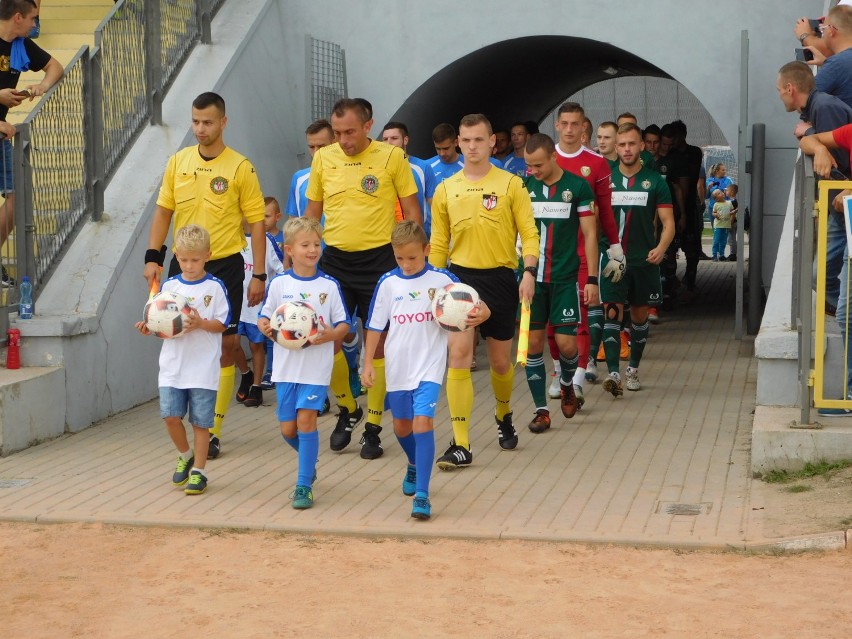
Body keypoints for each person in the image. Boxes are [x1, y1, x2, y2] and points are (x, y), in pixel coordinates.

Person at [144, 91, 267, 461]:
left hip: (225, 264)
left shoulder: (240, 167)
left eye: (208, 122)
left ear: (223, 122)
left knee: (227, 346)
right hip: (182, 265)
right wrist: (154, 257)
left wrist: (258, 273)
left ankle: (212, 429)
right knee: (177, 334)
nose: (200, 128)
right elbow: (164, 211)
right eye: (196, 121)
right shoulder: (178, 162)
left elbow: (257, 224)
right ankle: (189, 419)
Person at [304, 97, 421, 460]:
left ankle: (372, 425)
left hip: (380, 261)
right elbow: (312, 212)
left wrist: (416, 260)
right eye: (337, 133)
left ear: (368, 126)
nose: (343, 139)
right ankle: (346, 409)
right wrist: (303, 257)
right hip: (336, 260)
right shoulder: (324, 158)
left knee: (379, 344)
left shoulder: (391, 158)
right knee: (326, 339)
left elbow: (412, 211)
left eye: (350, 132)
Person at [429, 113, 538, 469]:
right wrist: (434, 285)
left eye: (479, 139)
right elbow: (439, 242)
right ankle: (461, 444)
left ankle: (503, 414)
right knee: (458, 358)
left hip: (501, 280)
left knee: (500, 363)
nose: (472, 146)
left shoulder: (511, 185)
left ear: (492, 142)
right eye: (466, 140)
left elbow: (529, 233)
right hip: (459, 281)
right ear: (458, 142)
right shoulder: (446, 188)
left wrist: (529, 272)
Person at [361, 221, 457, 519]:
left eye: (413, 258)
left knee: (422, 424)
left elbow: (472, 306)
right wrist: (367, 364)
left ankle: (423, 495)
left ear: (427, 250)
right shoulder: (388, 283)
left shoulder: (443, 280)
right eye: (400, 258)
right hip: (398, 368)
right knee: (401, 428)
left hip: (429, 365)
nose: (406, 264)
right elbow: (375, 326)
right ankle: (415, 464)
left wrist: (482, 313)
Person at [258, 217, 351, 508]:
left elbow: (344, 324)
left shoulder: (329, 285)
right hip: (286, 368)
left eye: (316, 244)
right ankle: (308, 463)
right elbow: (265, 315)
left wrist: (330, 335)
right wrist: (264, 325)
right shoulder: (279, 284)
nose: (313, 249)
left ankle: (302, 485)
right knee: (288, 430)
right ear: (289, 250)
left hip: (315, 367)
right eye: (305, 245)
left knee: (306, 420)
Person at [135, 225, 230, 496]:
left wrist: (201, 323)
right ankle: (185, 454)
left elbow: (223, 324)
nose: (189, 265)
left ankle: (199, 471)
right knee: (170, 417)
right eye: (184, 259)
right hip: (172, 367)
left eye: (196, 260)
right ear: (176, 255)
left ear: (207, 256)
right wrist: (149, 328)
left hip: (202, 368)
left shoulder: (215, 287)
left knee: (201, 423)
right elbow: (159, 324)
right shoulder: (169, 287)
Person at [521, 133, 599, 433]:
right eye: (529, 165)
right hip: (531, 280)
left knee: (567, 345)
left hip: (565, 279)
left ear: (553, 157)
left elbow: (590, 234)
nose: (534, 171)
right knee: (534, 345)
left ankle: (567, 383)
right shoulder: (523, 187)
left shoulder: (577, 187)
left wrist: (591, 278)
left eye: (538, 165)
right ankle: (541, 410)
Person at [553, 102, 624, 399]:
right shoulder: (545, 158)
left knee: (580, 316)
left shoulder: (596, 164)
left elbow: (606, 211)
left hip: (585, 253)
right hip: (551, 255)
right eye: (564, 124)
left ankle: (578, 377)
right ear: (557, 125)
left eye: (575, 124)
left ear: (584, 128)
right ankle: (560, 373)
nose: (570, 130)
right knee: (552, 322)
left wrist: (616, 247)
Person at [598, 123, 675, 395]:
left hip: (644, 262)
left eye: (632, 144)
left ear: (642, 146)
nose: (627, 149)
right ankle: (614, 375)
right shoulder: (605, 180)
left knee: (640, 318)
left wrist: (662, 247)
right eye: (622, 145)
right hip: (612, 261)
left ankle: (633, 369)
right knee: (611, 314)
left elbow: (668, 223)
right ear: (615, 148)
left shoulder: (655, 181)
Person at [0, 0, 64, 286]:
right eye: (33, 19)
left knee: (17, 199)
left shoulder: (20, 44)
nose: (35, 25)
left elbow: (55, 66)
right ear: (17, 17)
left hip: (2, 134)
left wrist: (42, 85)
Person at [801, 124, 852, 415]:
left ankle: (850, 394)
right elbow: (809, 140)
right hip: (842, 215)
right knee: (815, 275)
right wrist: (820, 148)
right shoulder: (849, 132)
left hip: (848, 211)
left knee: (847, 313)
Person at [233, 219, 284, 407]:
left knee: (256, 346)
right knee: (232, 343)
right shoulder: (230, 235)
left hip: (257, 305)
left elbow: (281, 269)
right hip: (235, 302)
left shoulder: (266, 239)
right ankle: (246, 374)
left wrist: (271, 294)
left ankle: (256, 387)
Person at [381, 120, 438, 236]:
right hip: (387, 238)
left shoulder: (423, 167)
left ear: (405, 140)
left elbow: (435, 206)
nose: (389, 143)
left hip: (420, 235)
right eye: (385, 139)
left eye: (394, 138)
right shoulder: (377, 169)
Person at [804, 5, 852, 109]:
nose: (823, 34)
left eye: (823, 29)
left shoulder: (836, 64)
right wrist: (826, 63)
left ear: (831, 31)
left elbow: (805, 99)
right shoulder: (837, 64)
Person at [710, 189, 732, 261]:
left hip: (726, 225)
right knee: (716, 240)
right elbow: (713, 213)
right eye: (719, 193)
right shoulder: (716, 204)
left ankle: (721, 255)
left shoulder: (729, 203)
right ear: (716, 198)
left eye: (721, 192)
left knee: (723, 241)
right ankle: (714, 255)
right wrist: (715, 214)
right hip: (718, 225)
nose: (722, 193)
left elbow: (732, 212)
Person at [726, 183, 739, 261]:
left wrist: (730, 223)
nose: (726, 192)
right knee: (731, 238)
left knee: (731, 239)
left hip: (732, 223)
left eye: (727, 190)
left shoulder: (732, 202)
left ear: (732, 192)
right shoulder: (732, 201)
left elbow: (733, 214)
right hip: (732, 222)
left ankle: (733, 254)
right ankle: (733, 253)